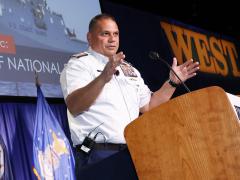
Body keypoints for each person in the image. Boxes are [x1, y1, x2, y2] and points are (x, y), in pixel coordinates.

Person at [60, 13, 199, 178]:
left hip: (134, 154)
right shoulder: (79, 65)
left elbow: (149, 106)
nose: (112, 39)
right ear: (90, 37)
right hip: (98, 156)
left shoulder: (129, 69)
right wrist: (103, 77)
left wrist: (172, 83)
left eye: (116, 34)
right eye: (105, 34)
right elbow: (75, 105)